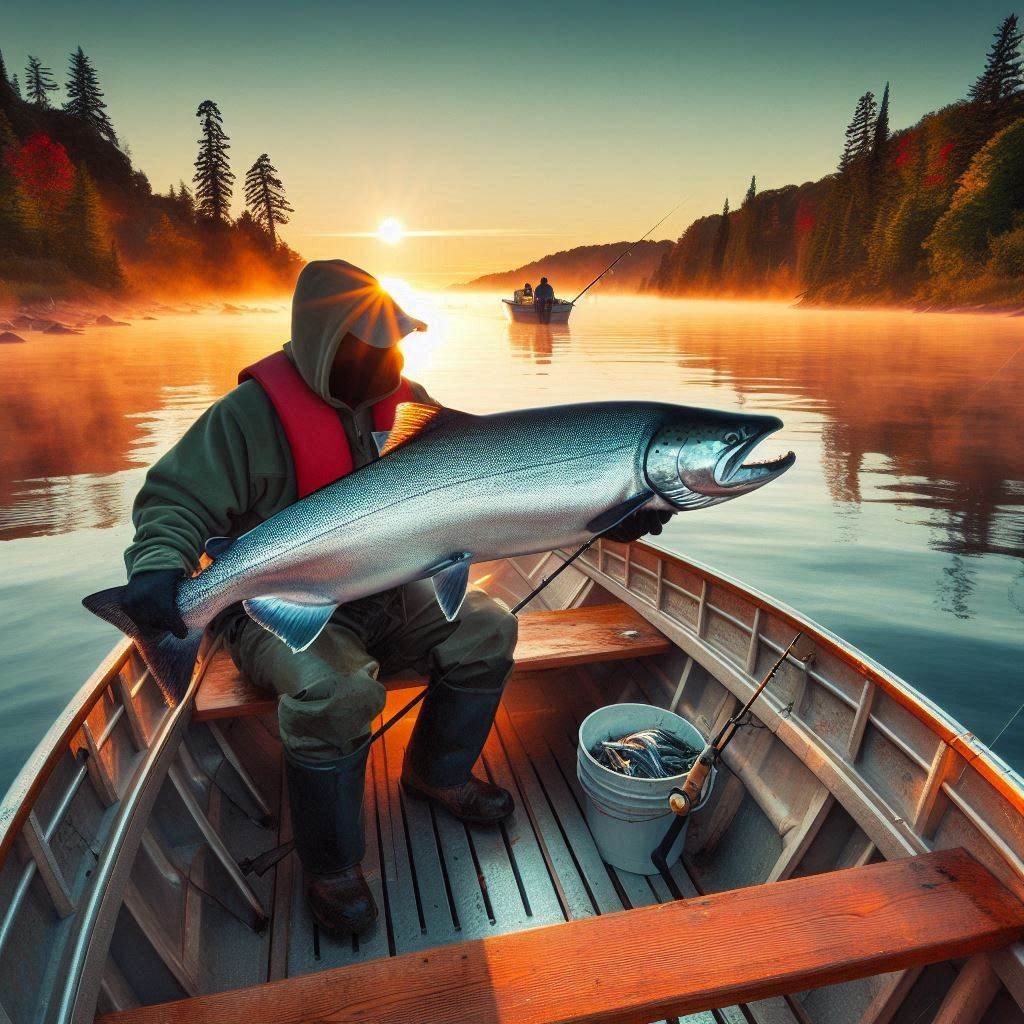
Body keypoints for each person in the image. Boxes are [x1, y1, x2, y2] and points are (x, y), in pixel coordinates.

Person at [117, 259, 670, 937]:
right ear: (326, 340)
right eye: (371, 343)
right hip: (278, 602)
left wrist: (609, 510)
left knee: (488, 629)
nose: (387, 355)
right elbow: (173, 500)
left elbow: (502, 497)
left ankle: (438, 773)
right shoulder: (246, 418)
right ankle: (330, 866)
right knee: (338, 693)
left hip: (391, 593)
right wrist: (157, 569)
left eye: (393, 340)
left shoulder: (412, 405)